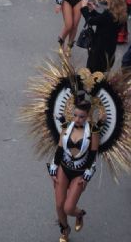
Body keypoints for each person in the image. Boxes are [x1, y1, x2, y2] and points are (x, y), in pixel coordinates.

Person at [47, 96, 99, 242]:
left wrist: (87, 175)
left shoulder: (93, 131)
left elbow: (93, 155)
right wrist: (54, 167)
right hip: (64, 168)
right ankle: (65, 229)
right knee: (59, 205)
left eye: (81, 117)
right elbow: (59, 148)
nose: (77, 119)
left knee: (68, 208)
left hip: (79, 172)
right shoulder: (67, 126)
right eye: (75, 115)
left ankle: (80, 214)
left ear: (87, 116)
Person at [81, 0, 127, 72]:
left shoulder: (108, 14)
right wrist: (93, 10)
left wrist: (84, 7)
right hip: (109, 49)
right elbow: (102, 20)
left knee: (92, 71)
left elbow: (91, 21)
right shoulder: (120, 15)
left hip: (99, 49)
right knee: (101, 71)